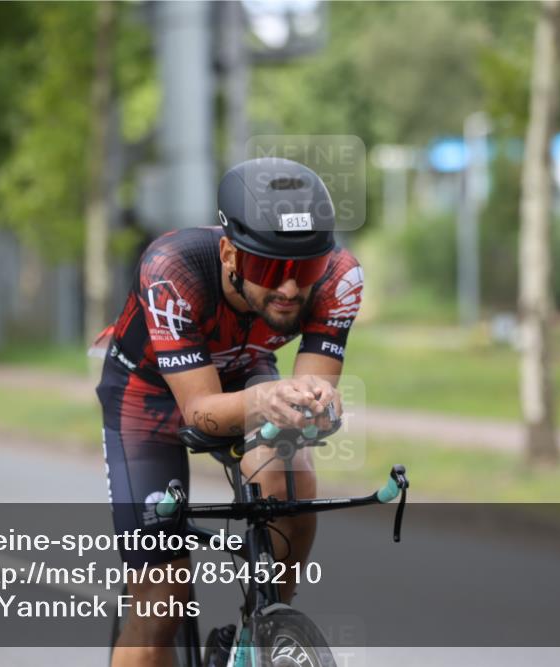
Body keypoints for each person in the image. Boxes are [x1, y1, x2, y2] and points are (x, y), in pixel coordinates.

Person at [95, 157, 364, 667]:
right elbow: (198, 411)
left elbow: (310, 391)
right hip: (148, 399)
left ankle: (268, 624)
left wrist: (315, 405)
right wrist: (267, 402)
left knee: (293, 477)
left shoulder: (339, 278)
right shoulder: (171, 268)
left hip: (245, 370)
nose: (288, 289)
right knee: (162, 599)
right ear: (229, 253)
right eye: (268, 269)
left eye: (303, 270)